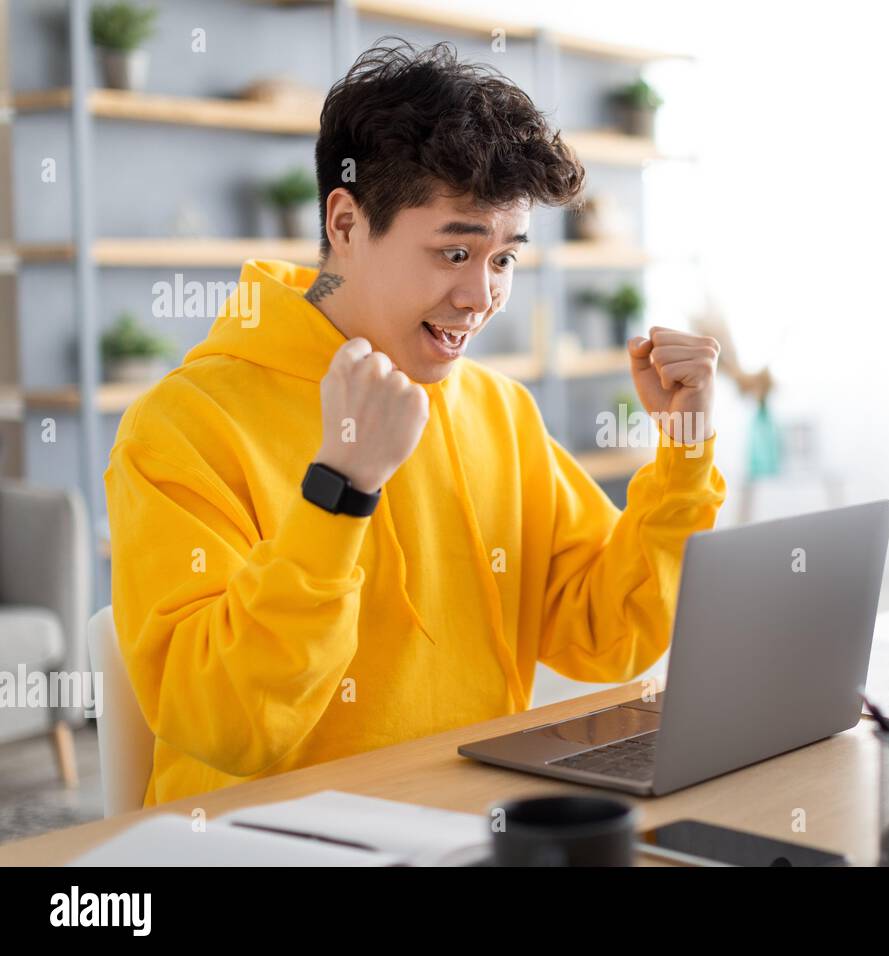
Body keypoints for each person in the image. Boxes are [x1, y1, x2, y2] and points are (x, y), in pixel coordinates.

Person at [105, 41, 726, 806]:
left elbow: (606, 636)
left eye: (503, 259)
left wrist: (683, 456)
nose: (481, 296)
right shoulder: (182, 425)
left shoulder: (498, 410)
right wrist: (340, 491)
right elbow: (227, 725)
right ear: (346, 221)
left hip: (474, 827)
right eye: (454, 250)